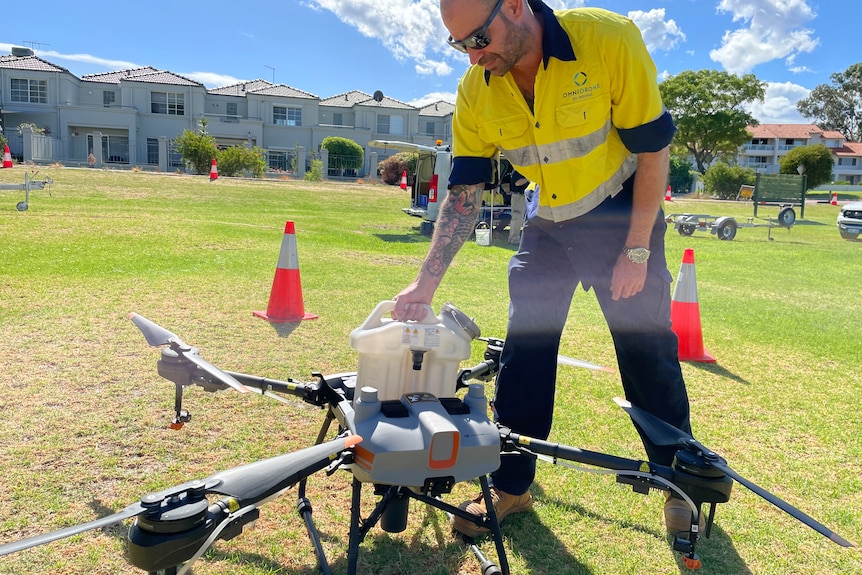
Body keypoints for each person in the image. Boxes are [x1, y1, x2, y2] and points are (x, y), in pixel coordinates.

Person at [392, 0, 698, 538]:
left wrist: (635, 251)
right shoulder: (476, 90)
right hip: (548, 222)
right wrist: (426, 281)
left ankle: (680, 486)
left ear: (514, 6)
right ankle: (512, 487)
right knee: (524, 355)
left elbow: (654, 151)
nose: (472, 57)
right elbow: (465, 190)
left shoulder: (607, 39)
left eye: (478, 39)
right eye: (459, 45)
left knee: (646, 353)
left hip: (620, 215)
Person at [506, 168, 528, 245]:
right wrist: (528, 179)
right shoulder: (517, 171)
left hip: (522, 195)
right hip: (518, 196)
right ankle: (514, 239)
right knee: (517, 218)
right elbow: (517, 183)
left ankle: (513, 238)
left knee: (519, 218)